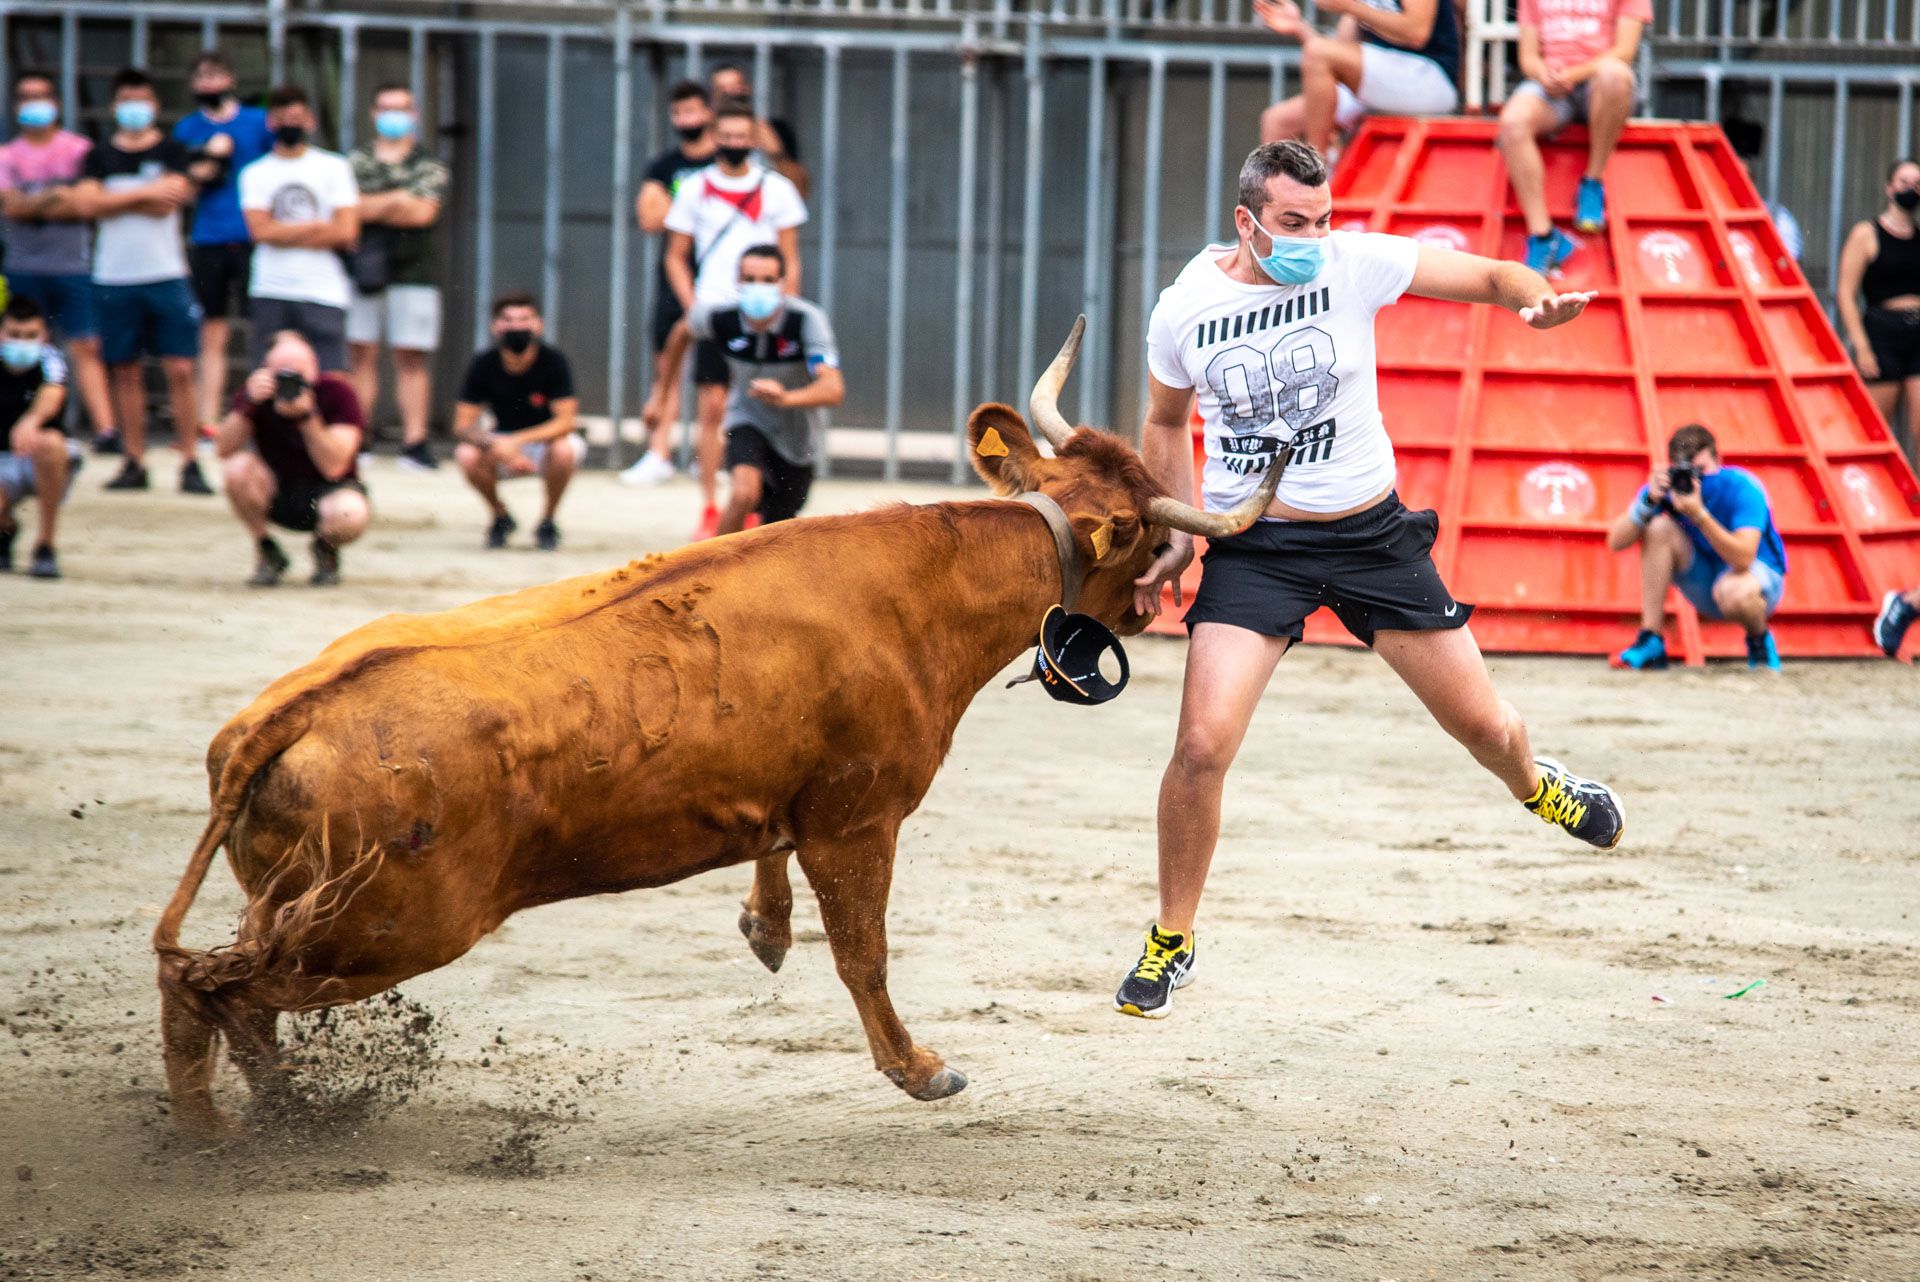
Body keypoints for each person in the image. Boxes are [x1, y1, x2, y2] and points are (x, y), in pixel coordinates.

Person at [1116, 141, 1621, 1020]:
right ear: (1247, 221)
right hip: (1255, 546)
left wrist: (1536, 303)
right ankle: (1171, 938)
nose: (1314, 238)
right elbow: (1164, 424)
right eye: (1292, 224)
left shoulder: (1354, 265)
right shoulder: (1186, 309)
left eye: (1323, 219)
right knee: (1200, 746)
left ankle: (1538, 785)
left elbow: (1497, 275)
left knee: (1484, 726)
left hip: (1371, 538)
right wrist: (1182, 532)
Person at [661, 102, 807, 537]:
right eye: (727, 137)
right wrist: (694, 305)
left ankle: (756, 497)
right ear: (714, 137)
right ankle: (711, 505)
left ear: (754, 140)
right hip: (717, 311)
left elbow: (791, 259)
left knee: (763, 405)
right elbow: (676, 256)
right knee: (712, 409)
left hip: (765, 315)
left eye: (743, 138)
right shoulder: (694, 187)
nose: (734, 145)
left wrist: (786, 312)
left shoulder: (777, 189)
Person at [66, 68, 207, 495]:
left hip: (166, 273)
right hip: (115, 275)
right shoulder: (98, 154)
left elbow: (170, 202)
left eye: (142, 100)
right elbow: (85, 203)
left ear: (155, 106)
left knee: (180, 368)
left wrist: (114, 198)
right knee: (124, 370)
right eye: (126, 100)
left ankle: (189, 460)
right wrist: (143, 193)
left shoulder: (174, 149)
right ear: (114, 107)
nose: (134, 108)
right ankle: (134, 459)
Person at [652, 245, 843, 536]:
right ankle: (714, 567)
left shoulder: (805, 321)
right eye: (750, 279)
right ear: (737, 282)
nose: (758, 288)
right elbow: (680, 334)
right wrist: (660, 395)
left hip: (797, 436)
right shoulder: (721, 317)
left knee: (776, 527)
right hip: (747, 419)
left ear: (783, 282)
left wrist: (787, 397)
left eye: (768, 280)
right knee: (743, 494)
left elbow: (833, 389)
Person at [1606, 423, 1786, 673]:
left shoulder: (1743, 487)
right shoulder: (1671, 488)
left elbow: (1743, 558)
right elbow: (1615, 542)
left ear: (1718, 461)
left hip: (1755, 584)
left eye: (1701, 471)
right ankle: (1650, 639)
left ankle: (1759, 639)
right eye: (1688, 472)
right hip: (1706, 580)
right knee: (1658, 529)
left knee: (1733, 590)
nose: (1695, 480)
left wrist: (1698, 514)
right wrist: (1648, 501)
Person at [0, 71, 116, 452]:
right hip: (23, 266)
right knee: (18, 345)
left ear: (57, 103)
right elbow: (9, 206)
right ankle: (19, 426)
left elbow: (87, 203)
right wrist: (58, 197)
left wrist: (33, 201)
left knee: (86, 348)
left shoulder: (78, 149)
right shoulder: (7, 155)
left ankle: (105, 432)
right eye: (26, 96)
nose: (34, 102)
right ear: (17, 106)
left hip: (73, 266)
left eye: (41, 95)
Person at [1495, 0, 1649, 273]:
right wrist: (1544, 75)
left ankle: (1593, 181)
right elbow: (1528, 58)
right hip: (1552, 87)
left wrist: (1572, 75)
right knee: (1512, 121)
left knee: (1614, 74)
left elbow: (1624, 52)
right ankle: (1543, 236)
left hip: (1598, 83)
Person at [619, 79, 718, 488]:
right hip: (674, 281)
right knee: (667, 369)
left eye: (694, 111)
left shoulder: (727, 161)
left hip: (719, 280)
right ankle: (659, 453)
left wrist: (678, 208)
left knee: (717, 379)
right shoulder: (663, 165)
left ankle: (711, 455)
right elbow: (650, 218)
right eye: (679, 113)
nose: (687, 120)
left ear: (709, 112)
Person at [347, 83, 449, 472]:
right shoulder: (355, 162)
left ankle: (415, 442)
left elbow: (423, 213)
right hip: (363, 270)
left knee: (411, 355)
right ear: (374, 114)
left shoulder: (429, 163)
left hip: (414, 270)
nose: (393, 116)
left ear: (415, 114)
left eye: (401, 108)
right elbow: (345, 210)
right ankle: (359, 437)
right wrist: (397, 200)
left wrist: (370, 205)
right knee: (361, 353)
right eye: (386, 108)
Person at [216, 328, 368, 587]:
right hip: (277, 489)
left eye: (299, 372)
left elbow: (334, 467)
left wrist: (307, 417)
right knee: (236, 468)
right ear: (266, 370)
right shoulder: (253, 395)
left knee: (350, 513)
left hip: (328, 492)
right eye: (283, 372)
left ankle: (325, 549)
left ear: (315, 368)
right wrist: (248, 406)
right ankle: (265, 548)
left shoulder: (338, 393)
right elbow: (223, 449)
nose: (291, 382)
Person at [173, 50, 274, 436]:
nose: (209, 83)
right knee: (212, 330)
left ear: (230, 78)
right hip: (209, 237)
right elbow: (185, 182)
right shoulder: (188, 128)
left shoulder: (257, 122)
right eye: (201, 76)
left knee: (258, 328)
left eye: (216, 75)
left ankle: (257, 414)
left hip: (252, 236)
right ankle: (208, 419)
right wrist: (206, 160)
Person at [239, 85, 360, 373]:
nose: (289, 125)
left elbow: (346, 232)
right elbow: (260, 232)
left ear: (310, 120)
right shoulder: (255, 172)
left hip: (324, 289)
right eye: (281, 118)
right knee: (267, 376)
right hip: (271, 287)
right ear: (270, 123)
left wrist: (281, 231)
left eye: (296, 117)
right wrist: (319, 227)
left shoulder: (334, 166)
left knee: (331, 377)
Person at [452, 293, 580, 552]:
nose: (517, 327)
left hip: (543, 443)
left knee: (566, 450)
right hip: (500, 441)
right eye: (508, 320)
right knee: (466, 454)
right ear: (496, 326)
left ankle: (547, 520)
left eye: (524, 319)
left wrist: (517, 441)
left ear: (538, 324)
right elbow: (463, 425)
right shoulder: (484, 363)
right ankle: (500, 516)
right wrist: (493, 444)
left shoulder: (553, 361)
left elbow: (566, 422)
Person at [1255, 0, 1460, 156]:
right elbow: (1329, 60)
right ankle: (1275, 205)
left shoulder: (1356, 6)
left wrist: (1352, 7)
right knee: (1277, 121)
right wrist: (1299, 27)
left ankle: (1315, 170)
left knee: (1319, 53)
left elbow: (1417, 32)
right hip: (1391, 77)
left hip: (1431, 80)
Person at [1836, 159, 1920, 453]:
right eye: (1904, 182)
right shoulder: (1867, 233)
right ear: (1889, 188)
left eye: (1917, 184)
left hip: (1917, 331)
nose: (1911, 188)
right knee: (1878, 429)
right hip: (1882, 332)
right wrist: (1862, 346)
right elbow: (1845, 293)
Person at [0, 296, 76, 579]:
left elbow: (53, 392)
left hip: (39, 458)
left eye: (30, 335)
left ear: (44, 335)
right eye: (14, 335)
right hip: (3, 459)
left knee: (50, 443)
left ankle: (46, 544)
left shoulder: (51, 359)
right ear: (1, 333)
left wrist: (32, 420)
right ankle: (6, 530)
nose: (22, 342)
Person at [708, 62, 808, 197]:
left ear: (747, 87)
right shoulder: (702, 133)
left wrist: (777, 154)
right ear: (712, 95)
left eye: (735, 86)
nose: (731, 93)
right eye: (722, 89)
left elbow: (800, 191)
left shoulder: (774, 130)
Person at [1724, 118, 1803, 263]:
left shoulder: (1777, 217)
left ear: (1753, 179)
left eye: (1742, 179)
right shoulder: (1705, 214)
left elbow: (1788, 265)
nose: (1734, 187)